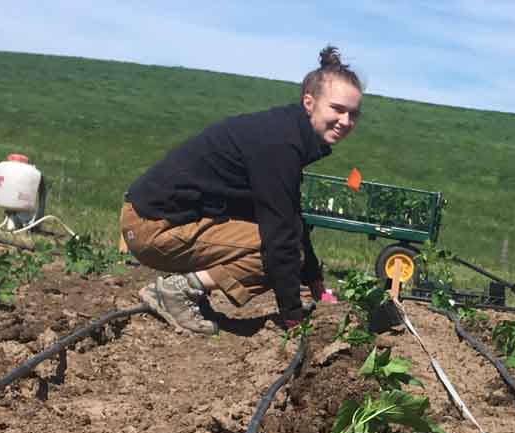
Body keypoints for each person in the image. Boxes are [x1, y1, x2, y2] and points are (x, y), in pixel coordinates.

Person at [120, 46, 361, 335]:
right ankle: (176, 292)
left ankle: (189, 290)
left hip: (163, 219)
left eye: (353, 114)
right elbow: (281, 235)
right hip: (153, 227)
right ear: (309, 102)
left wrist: (316, 284)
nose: (346, 122)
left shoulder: (286, 133)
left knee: (286, 245)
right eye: (337, 109)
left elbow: (292, 216)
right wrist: (294, 318)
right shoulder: (280, 145)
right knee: (280, 251)